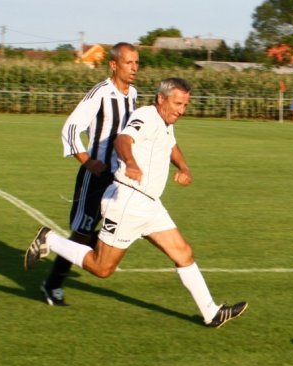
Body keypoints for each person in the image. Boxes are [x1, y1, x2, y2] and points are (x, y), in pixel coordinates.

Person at [25, 77, 248, 328]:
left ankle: (211, 313)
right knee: (102, 268)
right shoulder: (146, 115)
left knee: (183, 253)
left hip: (150, 205)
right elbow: (123, 140)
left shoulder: (165, 123)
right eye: (177, 104)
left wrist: (184, 167)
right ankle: (49, 240)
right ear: (161, 99)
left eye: (185, 105)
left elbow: (172, 146)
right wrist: (130, 163)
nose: (182, 110)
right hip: (128, 202)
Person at [40, 42, 139, 306]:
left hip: (120, 178)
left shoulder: (133, 94)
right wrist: (87, 161)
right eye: (128, 62)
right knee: (83, 233)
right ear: (114, 65)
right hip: (95, 176)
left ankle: (74, 252)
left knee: (120, 226)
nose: (134, 68)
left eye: (137, 63)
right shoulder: (100, 93)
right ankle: (52, 284)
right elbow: (71, 128)